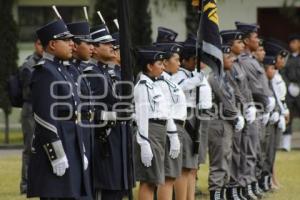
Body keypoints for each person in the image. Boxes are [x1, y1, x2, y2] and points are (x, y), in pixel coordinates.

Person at [27, 19, 90, 200]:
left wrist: (81, 150)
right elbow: (44, 116)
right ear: (53, 44)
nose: (72, 44)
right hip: (58, 141)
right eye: (67, 40)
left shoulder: (62, 70)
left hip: (71, 138)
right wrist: (56, 154)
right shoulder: (45, 71)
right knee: (56, 194)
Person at [88, 24, 133, 200]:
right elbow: (94, 111)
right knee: (107, 191)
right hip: (104, 139)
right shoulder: (92, 73)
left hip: (118, 137)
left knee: (119, 190)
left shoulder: (108, 73)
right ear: (95, 48)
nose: (112, 47)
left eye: (112, 44)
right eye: (106, 43)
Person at [236, 21, 275, 200]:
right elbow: (255, 88)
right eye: (254, 37)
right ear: (245, 40)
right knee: (249, 150)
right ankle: (246, 185)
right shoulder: (246, 62)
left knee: (256, 150)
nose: (258, 40)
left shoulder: (251, 60)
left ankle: (251, 183)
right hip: (253, 109)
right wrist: (266, 102)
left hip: (258, 110)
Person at [172, 34, 212, 200]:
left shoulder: (194, 74)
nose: (199, 62)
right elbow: (178, 88)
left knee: (193, 166)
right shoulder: (180, 75)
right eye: (196, 59)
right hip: (187, 118)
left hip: (198, 117)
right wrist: (195, 80)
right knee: (185, 166)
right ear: (186, 60)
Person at [206, 45, 244, 200]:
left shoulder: (223, 76)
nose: (232, 60)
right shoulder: (215, 77)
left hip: (225, 123)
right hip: (219, 123)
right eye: (228, 57)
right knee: (220, 163)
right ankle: (216, 194)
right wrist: (236, 116)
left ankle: (220, 194)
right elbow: (226, 102)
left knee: (225, 161)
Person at [220, 30, 251, 200]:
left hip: (241, 114)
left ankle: (237, 186)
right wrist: (238, 112)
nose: (243, 45)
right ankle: (231, 187)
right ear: (230, 45)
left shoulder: (235, 63)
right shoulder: (227, 65)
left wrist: (248, 106)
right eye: (239, 43)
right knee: (233, 153)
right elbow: (230, 93)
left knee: (241, 152)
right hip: (231, 116)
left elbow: (242, 91)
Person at [134, 47, 168, 200]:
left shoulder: (153, 85)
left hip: (158, 131)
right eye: (160, 63)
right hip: (150, 132)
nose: (163, 67)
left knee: (153, 180)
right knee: (148, 181)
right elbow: (142, 116)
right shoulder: (143, 86)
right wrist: (144, 143)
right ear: (149, 66)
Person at [67, 21, 96, 200]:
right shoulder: (69, 70)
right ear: (76, 46)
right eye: (88, 43)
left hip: (88, 128)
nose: (92, 48)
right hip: (77, 128)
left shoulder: (79, 69)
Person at [154, 42, 186, 200]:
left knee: (171, 176)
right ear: (165, 62)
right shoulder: (161, 82)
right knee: (167, 177)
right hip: (170, 129)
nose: (180, 63)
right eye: (177, 59)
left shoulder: (169, 80)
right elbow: (165, 111)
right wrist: (172, 135)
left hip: (177, 128)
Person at [19, 37, 43, 194]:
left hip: (39, 108)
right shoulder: (29, 64)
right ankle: (25, 184)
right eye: (40, 44)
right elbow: (31, 88)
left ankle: (37, 182)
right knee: (29, 147)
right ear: (35, 45)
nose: (42, 47)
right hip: (30, 109)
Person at [281, 34, 300, 151]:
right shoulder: (287, 58)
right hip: (289, 90)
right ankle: (286, 145)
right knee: (288, 116)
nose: (291, 45)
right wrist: (289, 85)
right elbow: (283, 72)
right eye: (291, 42)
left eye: (294, 42)